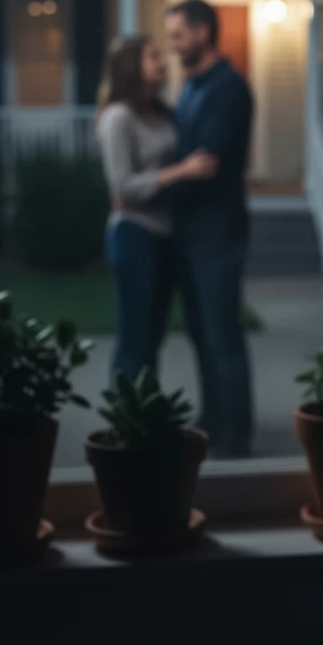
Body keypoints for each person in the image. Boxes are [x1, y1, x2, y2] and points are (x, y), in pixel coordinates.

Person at [96, 35, 218, 386]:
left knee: (153, 338)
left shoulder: (161, 112)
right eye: (153, 57)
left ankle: (147, 419)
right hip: (134, 235)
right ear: (131, 67)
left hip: (166, 236)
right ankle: (124, 423)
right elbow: (122, 186)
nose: (162, 63)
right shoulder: (117, 117)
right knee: (135, 337)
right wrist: (181, 172)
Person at [165, 0, 255, 458]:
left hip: (218, 229)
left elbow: (210, 161)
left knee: (222, 331)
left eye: (178, 35)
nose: (173, 45)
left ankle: (236, 432)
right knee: (200, 331)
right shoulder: (191, 87)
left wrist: (162, 180)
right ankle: (212, 417)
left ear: (202, 33)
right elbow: (186, 158)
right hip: (188, 229)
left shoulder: (228, 88)